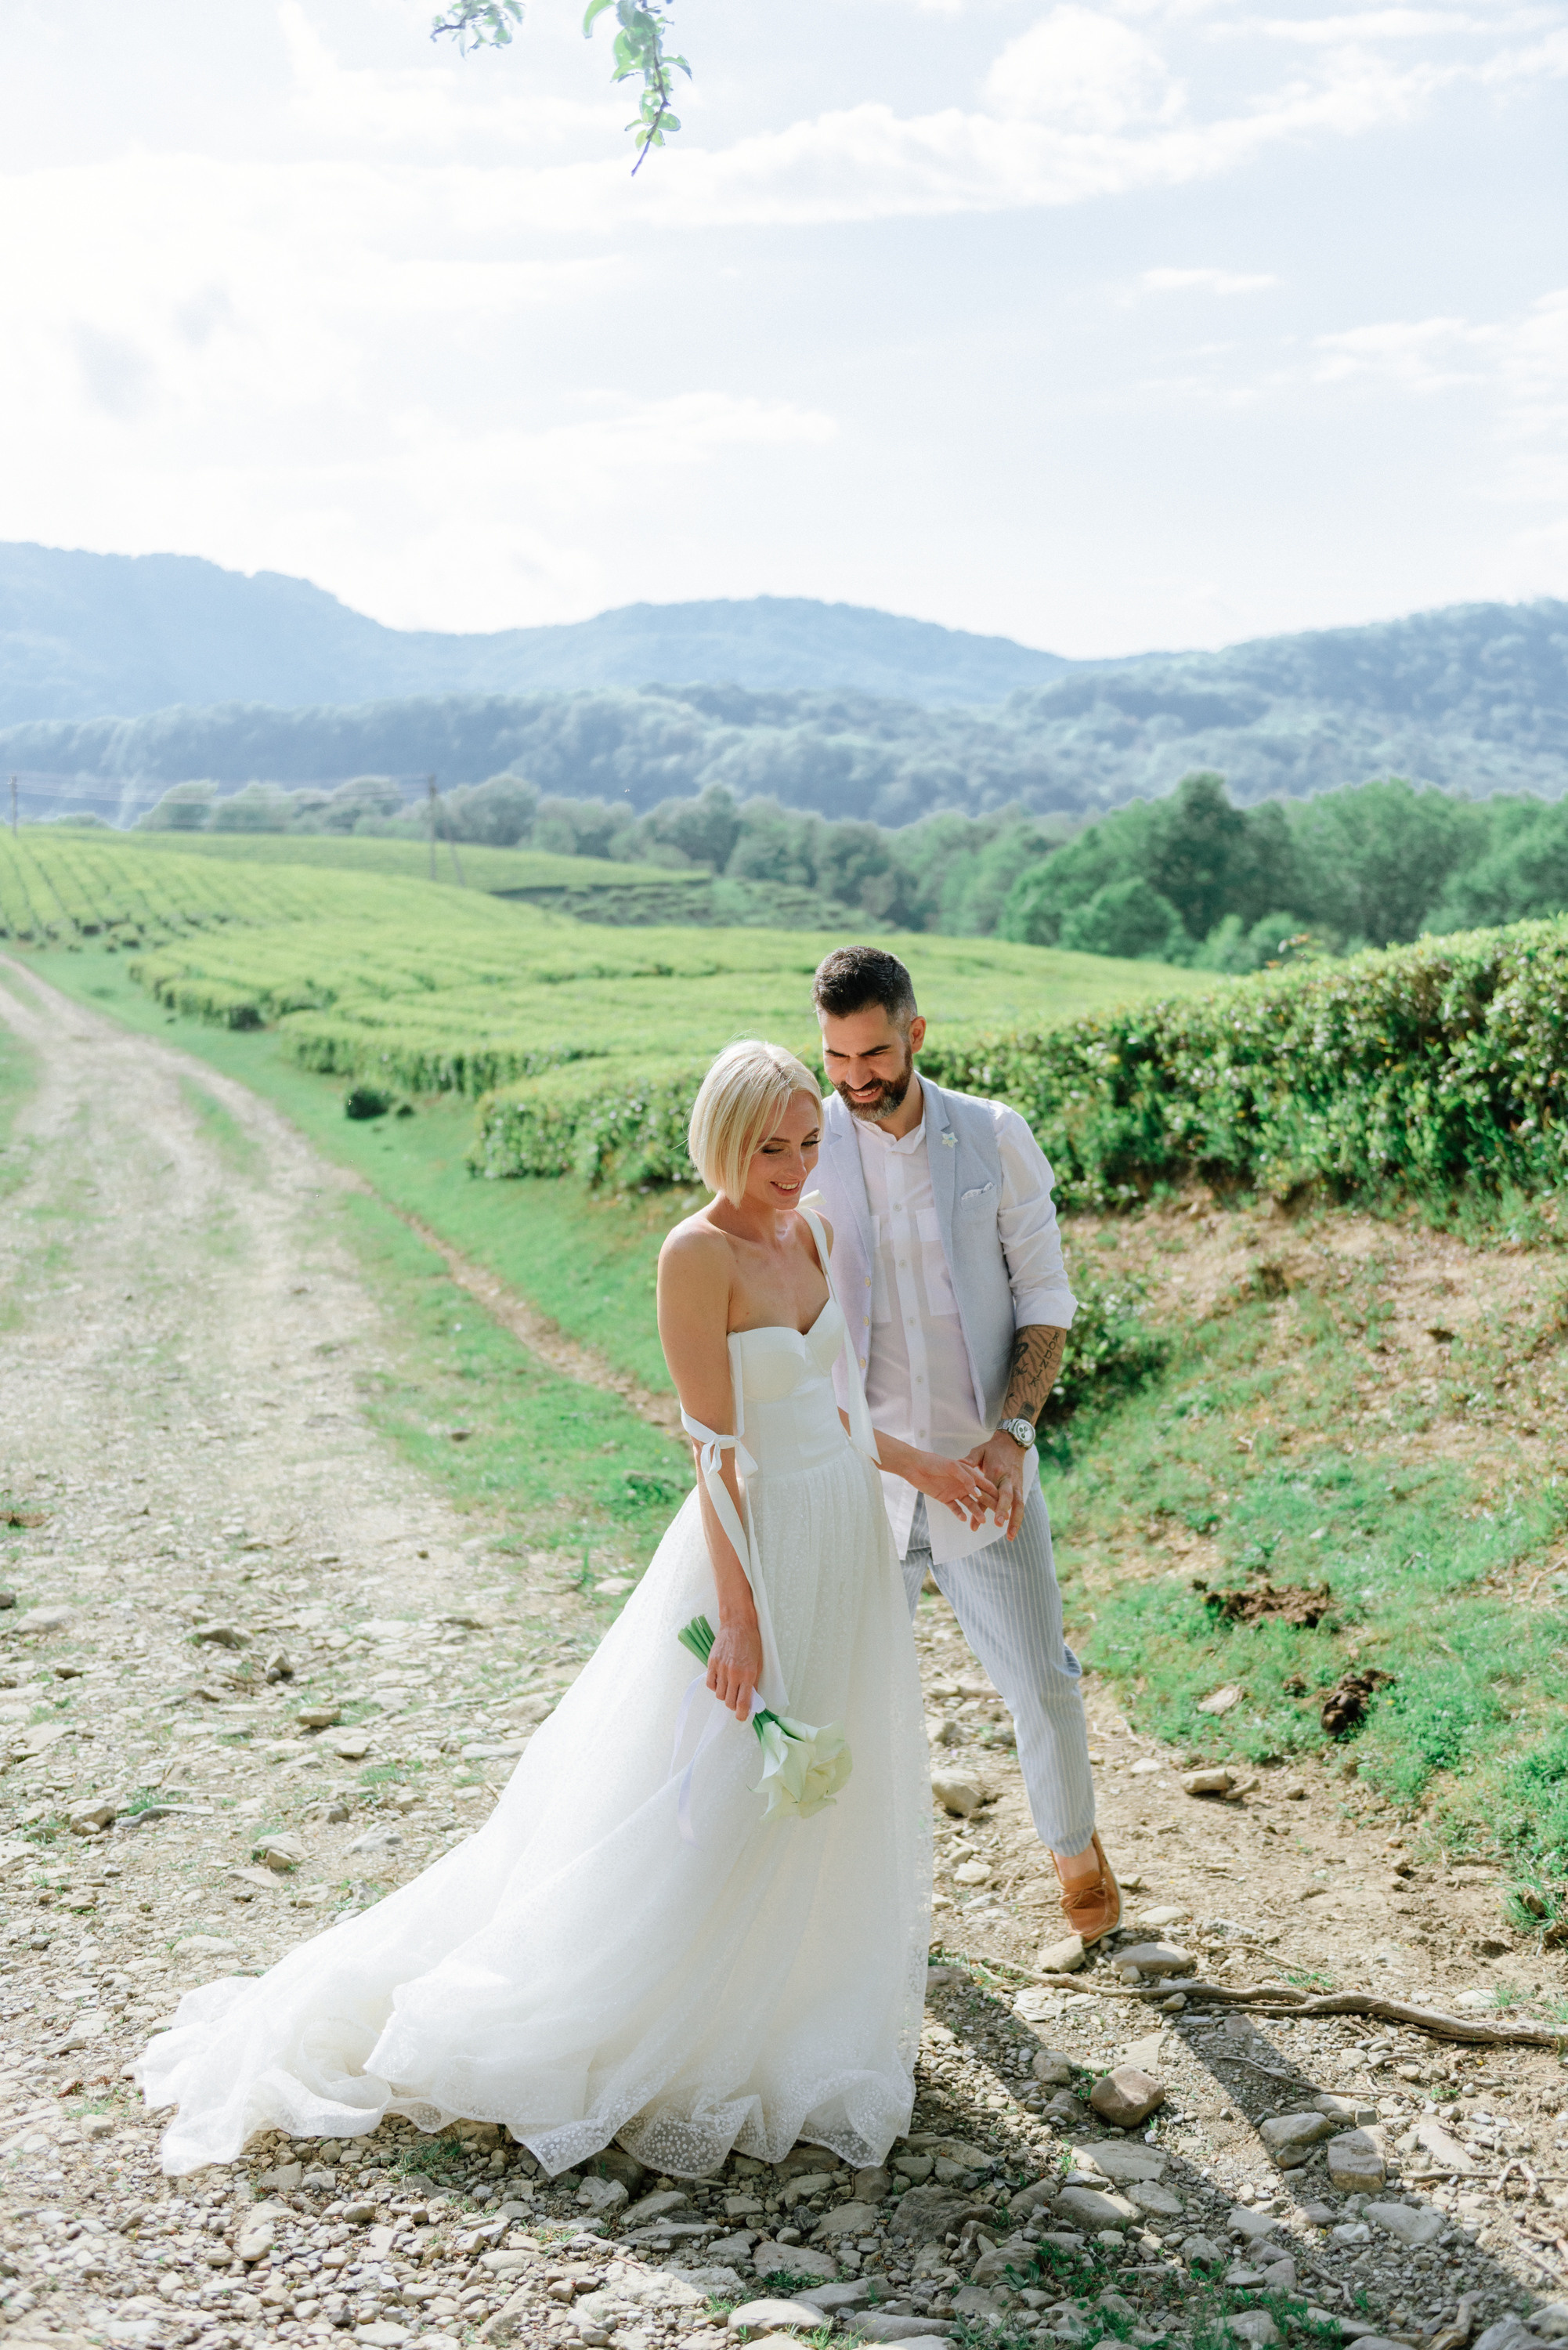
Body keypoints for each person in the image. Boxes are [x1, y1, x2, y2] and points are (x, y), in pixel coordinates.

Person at [138, 1040, 969, 2181]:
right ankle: (660, 2011)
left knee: (825, 1776)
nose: (790, 1165)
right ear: (722, 1141)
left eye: (806, 1142)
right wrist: (739, 1616)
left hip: (843, 1532)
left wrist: (923, 1470)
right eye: (768, 1147)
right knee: (725, 1781)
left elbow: (836, 1413)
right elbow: (717, 1453)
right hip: (758, 1541)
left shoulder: (815, 1230)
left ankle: (791, 2006)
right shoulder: (696, 1254)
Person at [807, 944, 1120, 1946]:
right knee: (851, 1696)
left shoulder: (992, 1135)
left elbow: (1045, 1295)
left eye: (874, 1054)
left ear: (916, 1033)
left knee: (1040, 1677)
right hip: (862, 1475)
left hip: (981, 1470)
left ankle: (1078, 1864)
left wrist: (1013, 1434)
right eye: (837, 1060)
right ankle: (860, 1914)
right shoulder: (808, 1142)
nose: (857, 1080)